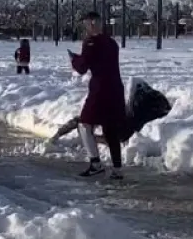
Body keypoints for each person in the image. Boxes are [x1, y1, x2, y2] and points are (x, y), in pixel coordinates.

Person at [67, 11, 127, 179]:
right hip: (116, 90)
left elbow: (82, 68)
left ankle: (96, 164)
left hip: (100, 91)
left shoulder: (91, 42)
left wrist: (74, 59)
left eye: (86, 24)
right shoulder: (112, 43)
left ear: (92, 23)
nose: (86, 27)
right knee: (110, 129)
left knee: (84, 124)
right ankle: (117, 170)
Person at [49, 78, 171, 146]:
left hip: (142, 104)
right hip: (144, 96)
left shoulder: (114, 126)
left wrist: (58, 135)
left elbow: (79, 121)